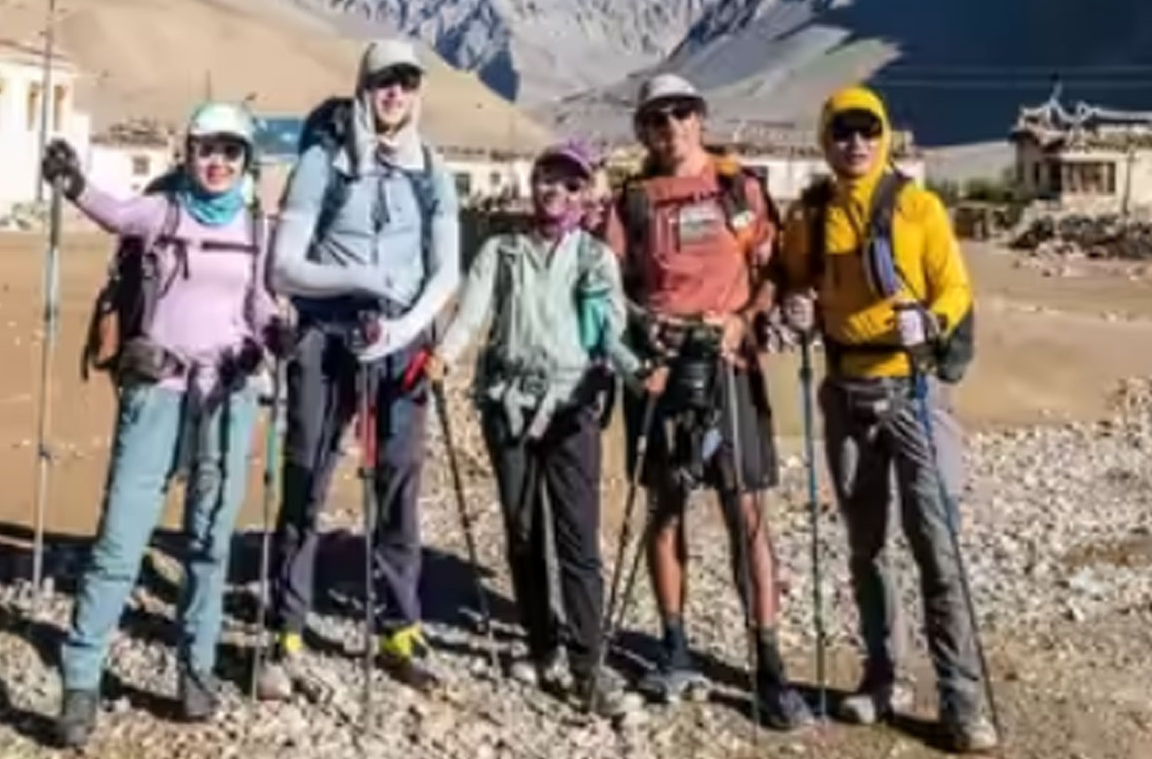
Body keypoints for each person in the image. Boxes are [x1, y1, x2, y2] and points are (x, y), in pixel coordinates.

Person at [42, 102, 282, 748]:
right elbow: (114, 213)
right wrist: (71, 180)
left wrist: (271, 334)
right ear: (188, 150)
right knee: (120, 541)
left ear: (246, 160)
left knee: (208, 542)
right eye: (207, 148)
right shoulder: (163, 210)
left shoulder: (256, 225)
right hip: (157, 394)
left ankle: (195, 670)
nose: (218, 162)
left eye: (231, 151)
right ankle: (81, 680)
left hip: (226, 399)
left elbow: (259, 303)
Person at [778, 86, 998, 753]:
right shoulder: (810, 215)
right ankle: (882, 678)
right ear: (825, 139)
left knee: (935, 542)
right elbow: (792, 280)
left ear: (883, 136)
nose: (856, 142)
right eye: (842, 131)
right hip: (844, 391)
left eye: (867, 129)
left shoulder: (917, 207)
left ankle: (961, 698)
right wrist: (795, 305)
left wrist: (929, 319)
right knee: (865, 544)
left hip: (914, 390)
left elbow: (954, 287)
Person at [604, 74, 811, 729]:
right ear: (643, 130)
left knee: (745, 513)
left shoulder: (738, 189)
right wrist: (644, 326)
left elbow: (773, 271)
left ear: (700, 117)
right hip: (662, 373)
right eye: (656, 118)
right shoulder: (632, 203)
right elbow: (606, 287)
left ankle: (769, 664)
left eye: (681, 113)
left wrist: (743, 320)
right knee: (664, 511)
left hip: (730, 369)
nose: (670, 126)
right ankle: (673, 648)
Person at [257, 39, 460, 698]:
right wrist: (361, 278)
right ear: (363, 87)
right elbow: (284, 267)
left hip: (401, 337)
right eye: (383, 81)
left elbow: (446, 270)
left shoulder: (431, 168)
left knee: (398, 481)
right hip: (325, 334)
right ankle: (286, 624)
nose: (394, 92)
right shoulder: (323, 161)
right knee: (306, 475)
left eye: (406, 81)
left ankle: (399, 625)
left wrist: (404, 326)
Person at [426, 141, 631, 715]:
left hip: (571, 409)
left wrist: (638, 372)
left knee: (577, 539)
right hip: (507, 404)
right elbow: (471, 312)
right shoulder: (502, 250)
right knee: (522, 532)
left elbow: (610, 330)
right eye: (547, 178)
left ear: (585, 195)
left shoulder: (595, 257)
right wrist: (445, 356)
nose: (555, 191)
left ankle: (588, 664)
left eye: (570, 183)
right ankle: (543, 646)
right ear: (532, 184)